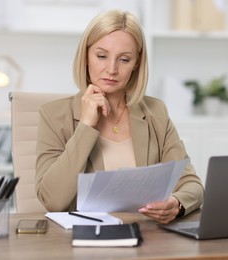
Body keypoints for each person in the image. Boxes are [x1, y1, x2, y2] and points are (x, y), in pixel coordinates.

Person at [35, 9, 204, 223]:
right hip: (84, 242)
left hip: (146, 239)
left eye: (124, 59)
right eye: (102, 56)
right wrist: (86, 125)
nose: (111, 69)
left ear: (136, 64)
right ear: (86, 56)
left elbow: (192, 185)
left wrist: (177, 203)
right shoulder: (54, 115)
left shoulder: (155, 112)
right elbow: (52, 200)